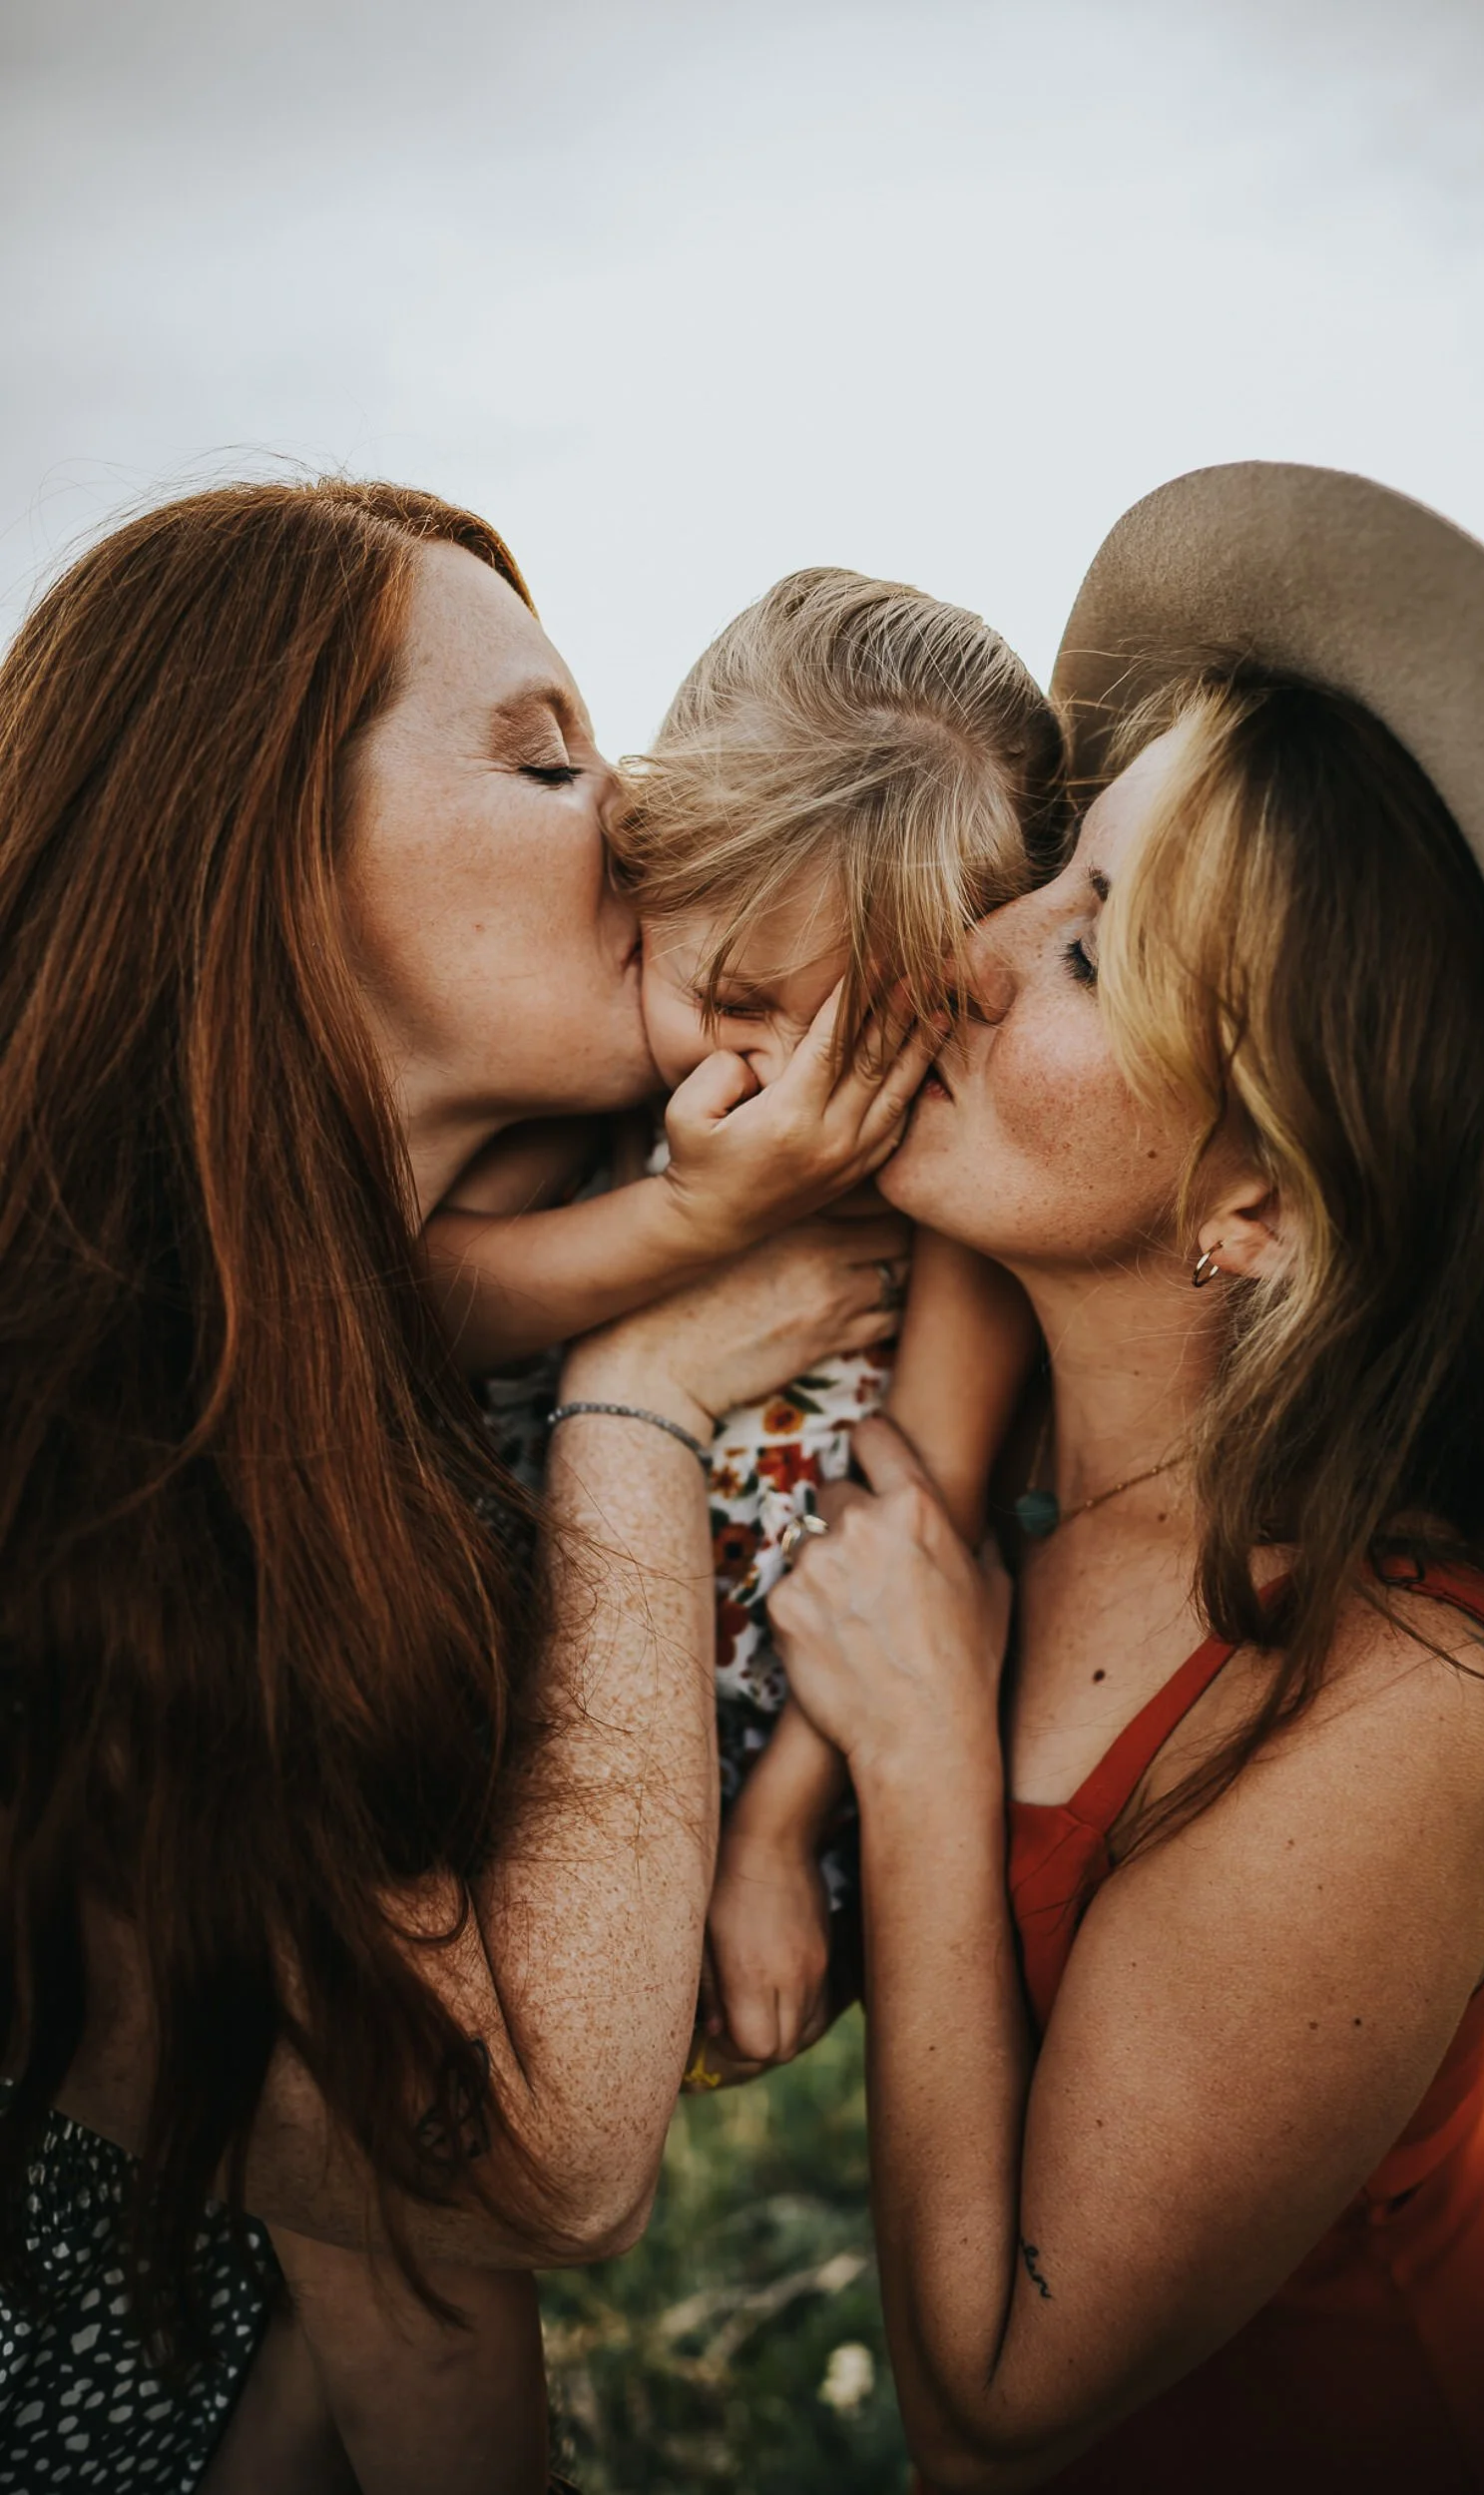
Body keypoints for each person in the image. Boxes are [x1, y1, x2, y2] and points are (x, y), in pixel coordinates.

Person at [0, 478, 920, 2490]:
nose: (635, 810)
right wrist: (648, 1396)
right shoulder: (69, 1470)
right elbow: (526, 2149)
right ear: (245, 838)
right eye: (540, 752)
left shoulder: (345, 1403)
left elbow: (387, 2271)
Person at [765, 466, 1484, 2491]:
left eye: (1092, 954)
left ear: (1258, 1195)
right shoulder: (971, 1403)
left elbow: (996, 2398)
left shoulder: (1419, 1693)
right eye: (1061, 873)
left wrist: (914, 1743)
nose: (981, 948)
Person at [428, 567, 1059, 2074]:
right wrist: (691, 1220)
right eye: (733, 1001)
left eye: (856, 1041)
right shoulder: (591, 1114)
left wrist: (766, 1840)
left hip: (791, 1755)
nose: (775, 1091)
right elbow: (421, 1303)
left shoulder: (938, 1200)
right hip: (522, 1705)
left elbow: (929, 1512)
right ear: (647, 860)